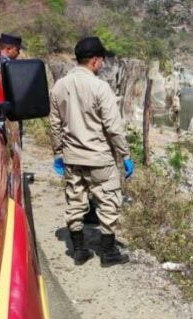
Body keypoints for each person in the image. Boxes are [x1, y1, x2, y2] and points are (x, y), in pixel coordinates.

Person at [49, 36, 134, 267]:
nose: (103, 65)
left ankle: (79, 250)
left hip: (71, 157)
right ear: (95, 61)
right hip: (99, 158)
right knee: (109, 202)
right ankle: (108, 254)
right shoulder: (100, 87)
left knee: (75, 201)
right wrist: (125, 155)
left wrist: (58, 152)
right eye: (102, 60)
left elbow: (55, 124)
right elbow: (113, 127)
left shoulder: (59, 86)